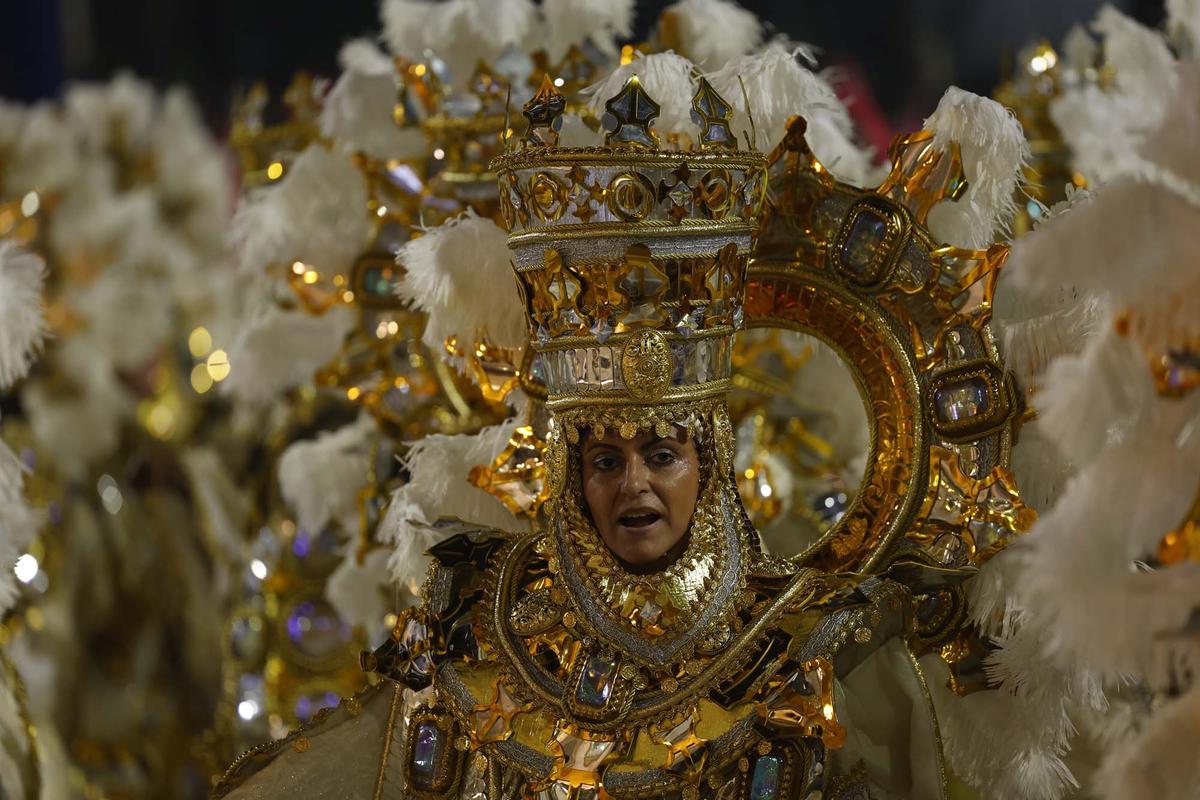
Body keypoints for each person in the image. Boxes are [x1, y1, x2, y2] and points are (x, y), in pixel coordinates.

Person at [213, 74, 976, 800]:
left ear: (708, 465)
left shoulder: (810, 650)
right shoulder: (479, 630)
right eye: (606, 459)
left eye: (663, 455)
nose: (634, 484)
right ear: (569, 472)